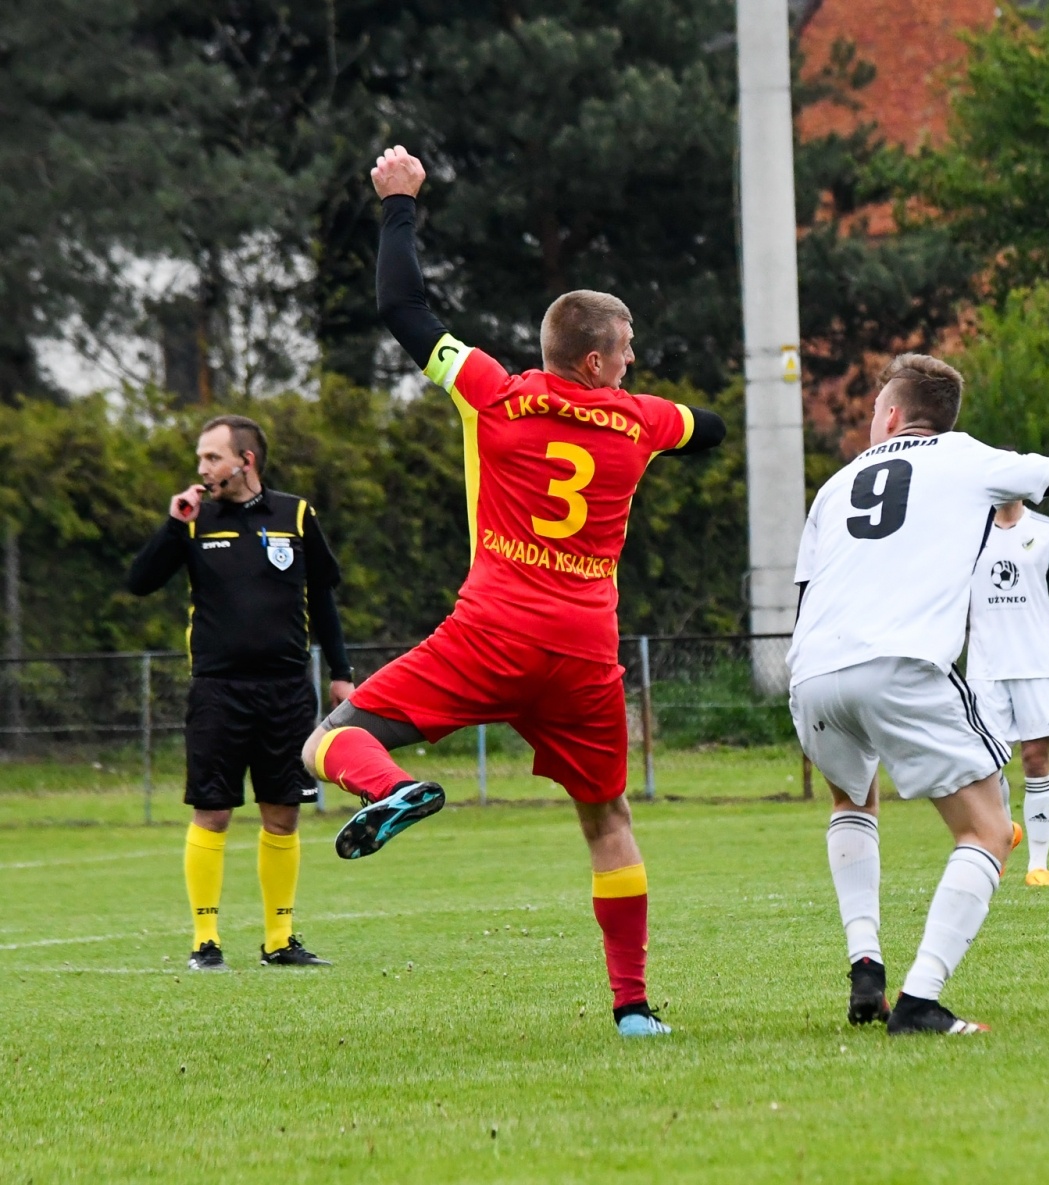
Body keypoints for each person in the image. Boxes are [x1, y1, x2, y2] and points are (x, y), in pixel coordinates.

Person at [298, 146, 725, 1039]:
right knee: (607, 819)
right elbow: (708, 429)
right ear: (605, 362)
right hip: (582, 654)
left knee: (329, 740)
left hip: (490, 633)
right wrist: (682, 423)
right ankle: (634, 1006)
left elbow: (400, 306)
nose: (637, 360)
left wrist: (402, 204)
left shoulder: (492, 393)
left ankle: (389, 789)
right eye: (631, 349)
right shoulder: (644, 420)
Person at [788, 354, 1049, 1035]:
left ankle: (866, 964)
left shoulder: (834, 487)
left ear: (890, 416)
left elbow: (804, 595)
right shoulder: (967, 458)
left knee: (852, 799)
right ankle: (918, 1002)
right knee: (985, 830)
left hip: (812, 673)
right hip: (899, 664)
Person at [128, 415, 354, 971]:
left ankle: (280, 940)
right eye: (201, 459)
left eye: (211, 458)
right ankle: (205, 941)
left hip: (286, 691)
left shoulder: (295, 515)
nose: (202, 469)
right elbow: (139, 581)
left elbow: (322, 597)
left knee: (283, 814)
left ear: (244, 461)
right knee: (213, 811)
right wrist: (171, 523)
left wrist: (341, 672)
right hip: (217, 690)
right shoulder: (194, 518)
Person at [967, 500, 1049, 886]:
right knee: (986, 765)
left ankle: (1038, 864)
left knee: (1035, 759)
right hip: (985, 671)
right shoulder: (968, 532)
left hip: (1036, 668)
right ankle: (1002, 838)